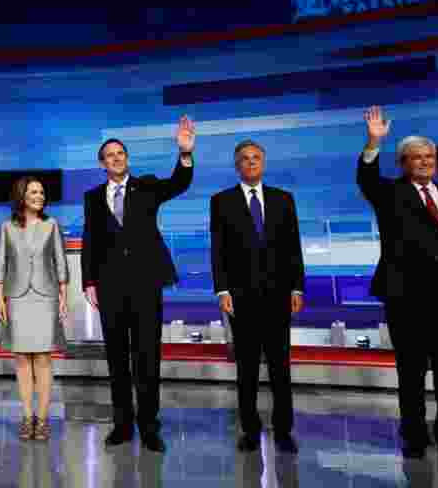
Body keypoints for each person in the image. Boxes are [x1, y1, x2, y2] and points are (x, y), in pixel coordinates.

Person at [357, 106, 438, 461]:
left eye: (430, 156)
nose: (425, 162)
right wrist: (372, 143)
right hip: (406, 297)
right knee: (411, 372)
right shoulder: (389, 194)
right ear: (403, 163)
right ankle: (414, 436)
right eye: (417, 157)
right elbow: (366, 179)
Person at [81, 116, 195, 453]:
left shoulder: (146, 186)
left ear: (126, 159)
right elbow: (91, 240)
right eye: (110, 155)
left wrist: (185, 154)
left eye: (121, 153)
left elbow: (178, 183)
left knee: (147, 356)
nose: (117, 158)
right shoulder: (92, 197)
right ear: (102, 164)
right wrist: (89, 280)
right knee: (117, 358)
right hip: (110, 285)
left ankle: (149, 426)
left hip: (146, 283)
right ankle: (122, 425)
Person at [210, 140, 305, 454]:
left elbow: (293, 248)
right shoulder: (221, 201)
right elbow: (219, 250)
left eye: (256, 158)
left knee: (281, 367)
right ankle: (250, 430)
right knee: (247, 369)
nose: (251, 163)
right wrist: (222, 289)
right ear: (237, 165)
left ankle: (283, 430)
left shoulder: (283, 199)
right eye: (245, 159)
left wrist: (297, 287)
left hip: (278, 295)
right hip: (241, 297)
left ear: (263, 162)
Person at [0, 176, 69, 441]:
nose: (40, 196)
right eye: (34, 192)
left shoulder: (52, 225)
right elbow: (0, 264)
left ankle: (43, 419)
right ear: (21, 196)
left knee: (44, 360)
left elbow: (60, 261)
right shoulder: (7, 227)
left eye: (42, 192)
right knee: (23, 359)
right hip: (17, 296)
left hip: (46, 297)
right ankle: (27, 417)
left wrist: (63, 296)